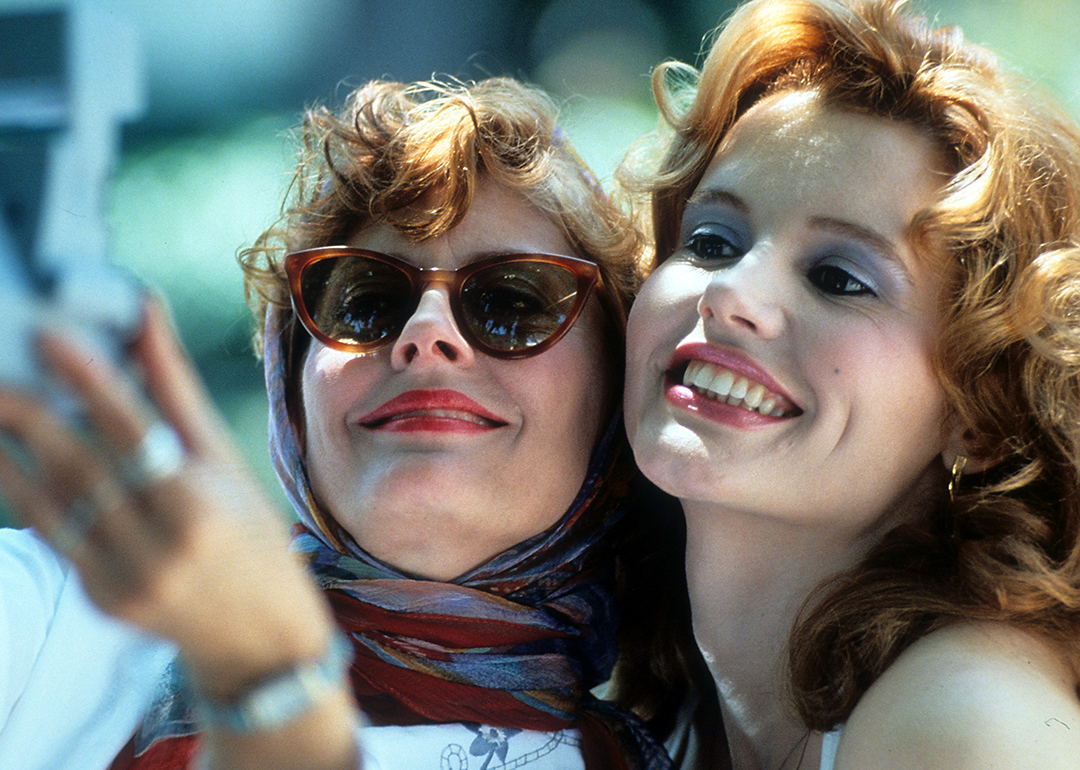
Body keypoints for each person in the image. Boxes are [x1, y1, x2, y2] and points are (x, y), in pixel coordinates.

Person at [0, 77, 696, 769]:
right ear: (292, 398)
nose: (426, 333)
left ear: (614, 404)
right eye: (365, 298)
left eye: (513, 301)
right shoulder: (77, 615)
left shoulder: (686, 754)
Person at [620, 0, 1080, 768]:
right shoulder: (664, 704)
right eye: (710, 240)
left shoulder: (967, 719)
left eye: (838, 278)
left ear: (984, 415)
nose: (731, 292)